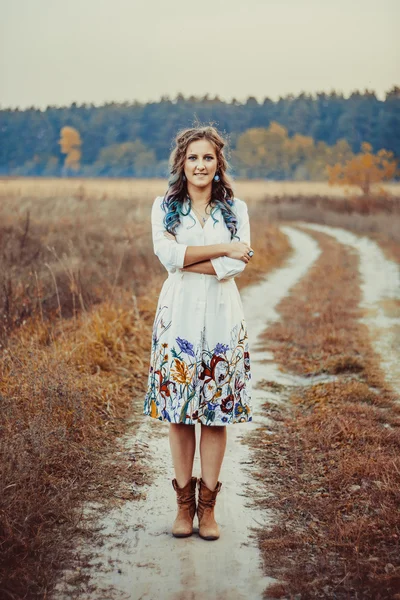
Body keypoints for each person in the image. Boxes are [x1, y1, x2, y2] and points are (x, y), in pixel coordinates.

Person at [143, 125, 254, 541]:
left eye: (208, 157)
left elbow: (238, 265)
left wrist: (196, 259)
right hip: (179, 319)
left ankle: (207, 510)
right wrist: (224, 248)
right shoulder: (164, 207)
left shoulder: (235, 209)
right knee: (178, 413)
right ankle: (183, 506)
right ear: (182, 163)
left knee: (215, 414)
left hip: (224, 318)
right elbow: (167, 256)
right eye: (193, 157)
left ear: (218, 163)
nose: (200, 164)